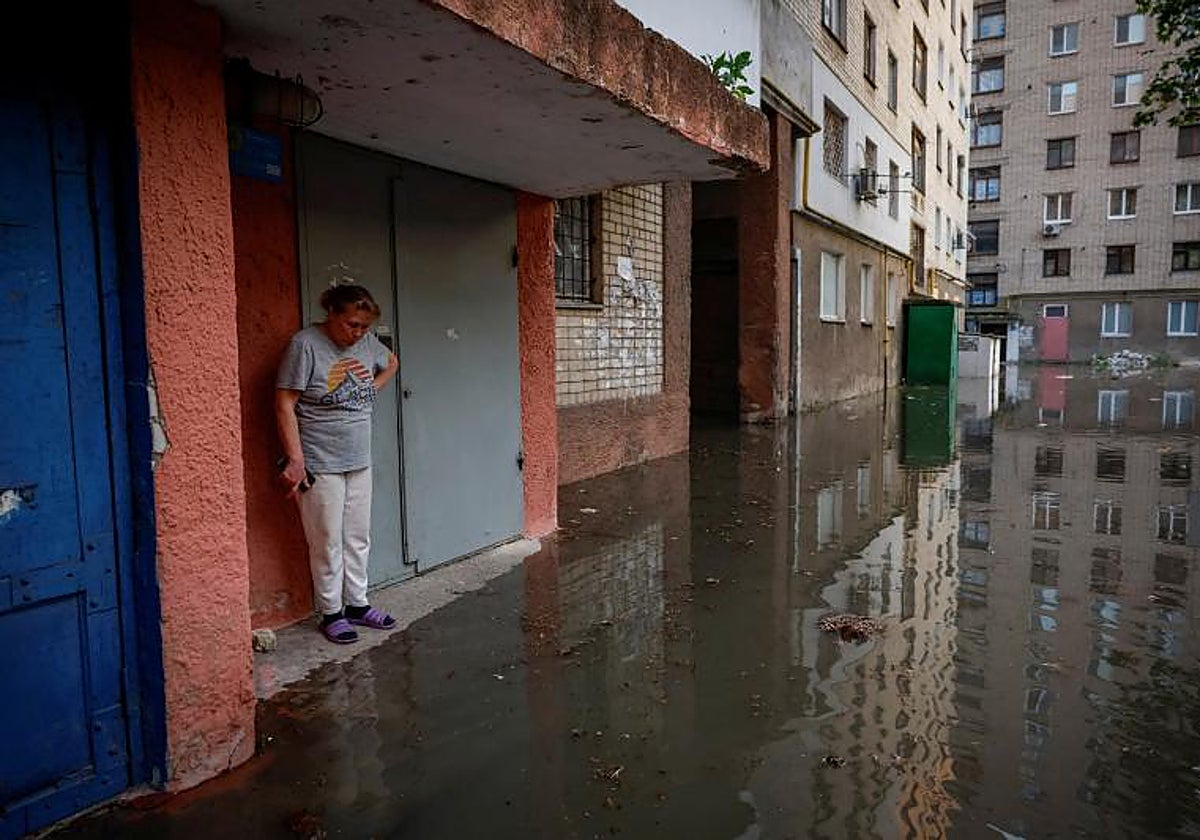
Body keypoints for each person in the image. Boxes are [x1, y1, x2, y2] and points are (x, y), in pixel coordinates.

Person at [276, 284, 400, 644]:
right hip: (320, 460)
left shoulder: (365, 343)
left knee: (358, 536)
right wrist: (296, 460)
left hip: (359, 456)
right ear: (331, 313)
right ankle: (331, 612)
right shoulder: (305, 346)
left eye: (364, 326)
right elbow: (284, 403)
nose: (358, 333)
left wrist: (369, 390)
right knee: (326, 538)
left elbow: (392, 362)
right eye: (351, 324)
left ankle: (358, 604)